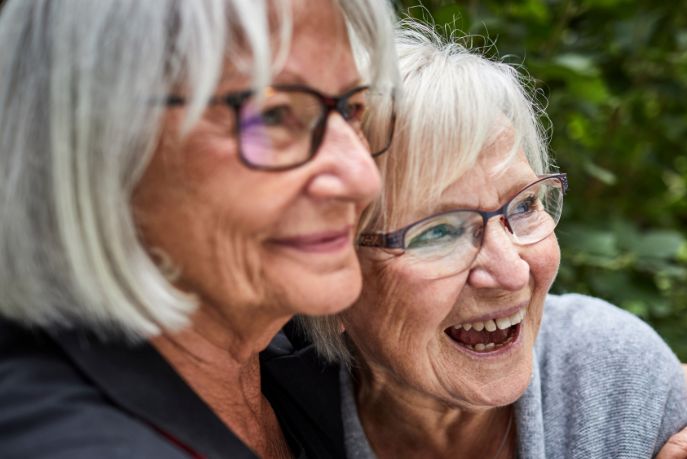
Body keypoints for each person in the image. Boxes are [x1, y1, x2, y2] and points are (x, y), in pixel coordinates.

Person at [290, 22, 687, 458]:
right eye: (440, 231)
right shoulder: (271, 411)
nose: (512, 272)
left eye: (524, 206)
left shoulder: (616, 381)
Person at [0, 0, 398, 457]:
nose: (364, 176)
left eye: (350, 109)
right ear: (90, 145)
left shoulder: (291, 363)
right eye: (272, 115)